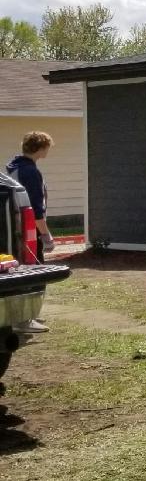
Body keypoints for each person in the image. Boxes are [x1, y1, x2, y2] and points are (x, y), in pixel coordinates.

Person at [7, 132, 54, 334]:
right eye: (47, 147)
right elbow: (35, 209)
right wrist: (46, 236)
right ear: (41, 148)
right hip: (27, 232)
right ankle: (25, 319)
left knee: (18, 270)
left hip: (12, 229)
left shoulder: (14, 167)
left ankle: (26, 314)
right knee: (33, 271)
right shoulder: (30, 172)